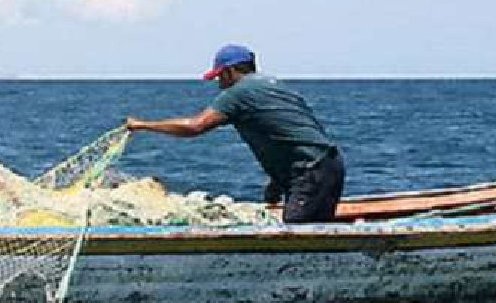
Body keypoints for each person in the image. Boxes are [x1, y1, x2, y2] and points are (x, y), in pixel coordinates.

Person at [125, 45, 345, 223]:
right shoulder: (278, 88)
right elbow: (292, 135)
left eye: (220, 77)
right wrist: (277, 182)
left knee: (297, 237)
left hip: (310, 172)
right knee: (313, 226)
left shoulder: (239, 93)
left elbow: (195, 126)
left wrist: (144, 125)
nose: (220, 84)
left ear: (230, 72)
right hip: (329, 165)